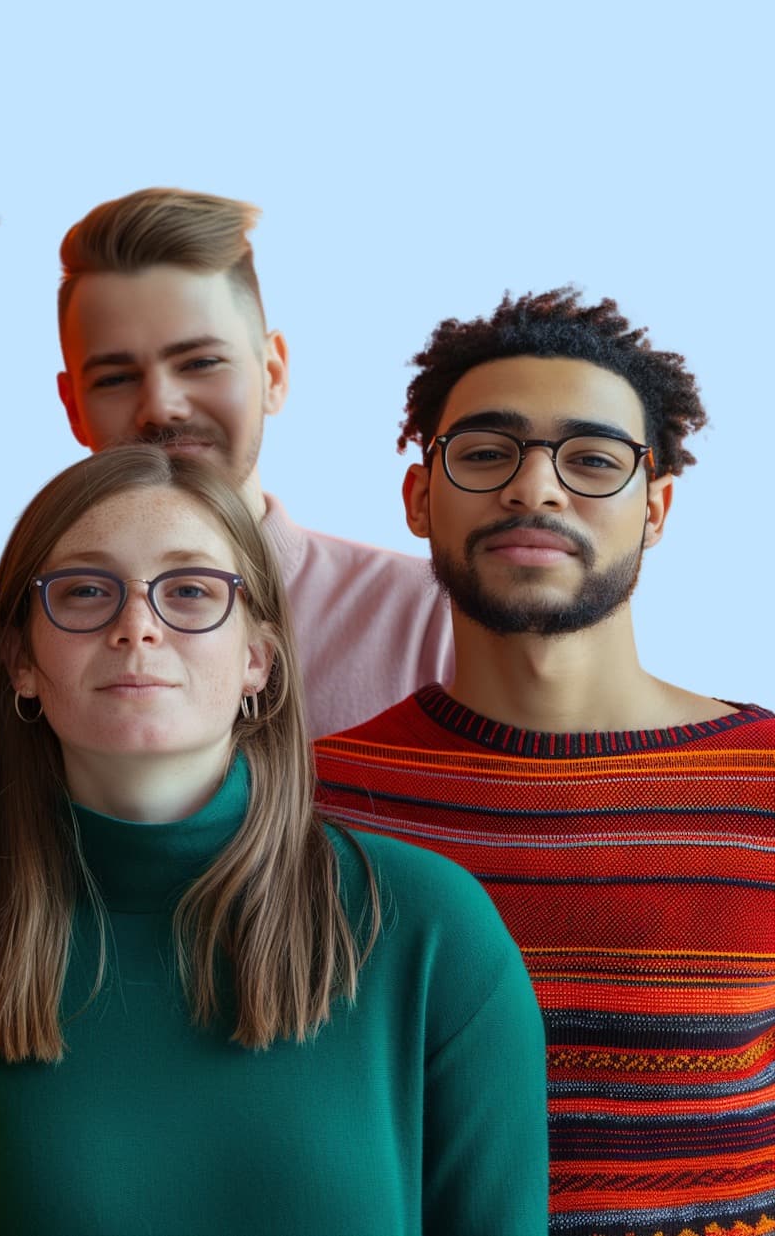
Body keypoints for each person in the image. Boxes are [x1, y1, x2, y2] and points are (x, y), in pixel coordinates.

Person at [0, 444, 545, 1230]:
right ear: (19, 661)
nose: (137, 626)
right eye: (85, 590)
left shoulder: (432, 932)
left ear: (258, 661)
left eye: (192, 590)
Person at [314, 288, 775, 1234]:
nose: (536, 488)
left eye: (593, 460)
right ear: (418, 496)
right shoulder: (308, 802)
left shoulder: (764, 783)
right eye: (486, 453)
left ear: (656, 507)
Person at [55, 188, 452, 737]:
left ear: (273, 374)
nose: (161, 406)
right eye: (116, 378)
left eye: (201, 362)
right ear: (73, 407)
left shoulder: (430, 618)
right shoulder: (30, 631)